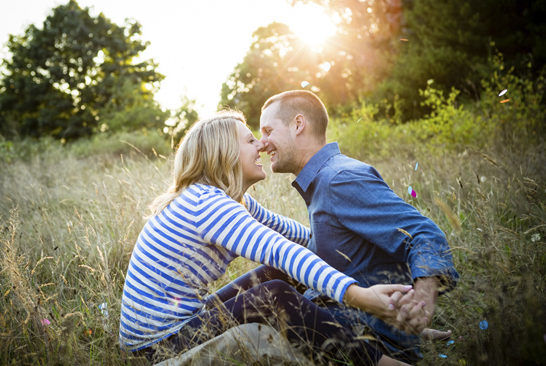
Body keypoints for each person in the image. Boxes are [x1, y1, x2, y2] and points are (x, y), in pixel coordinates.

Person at [119, 110, 420, 365]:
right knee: (274, 293)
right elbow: (281, 251)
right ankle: (380, 362)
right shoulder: (207, 205)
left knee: (276, 275)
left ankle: (378, 328)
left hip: (187, 321)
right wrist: (362, 297)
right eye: (250, 140)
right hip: (157, 346)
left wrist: (349, 248)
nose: (261, 145)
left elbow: (297, 237)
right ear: (224, 153)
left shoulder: (231, 200)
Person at [256, 90, 460, 363]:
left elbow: (423, 233)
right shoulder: (323, 180)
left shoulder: (338, 179)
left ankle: (187, 335)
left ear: (298, 124)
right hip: (355, 322)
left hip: (364, 339)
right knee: (273, 272)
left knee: (271, 294)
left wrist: (419, 304)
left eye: (268, 130)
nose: (262, 143)